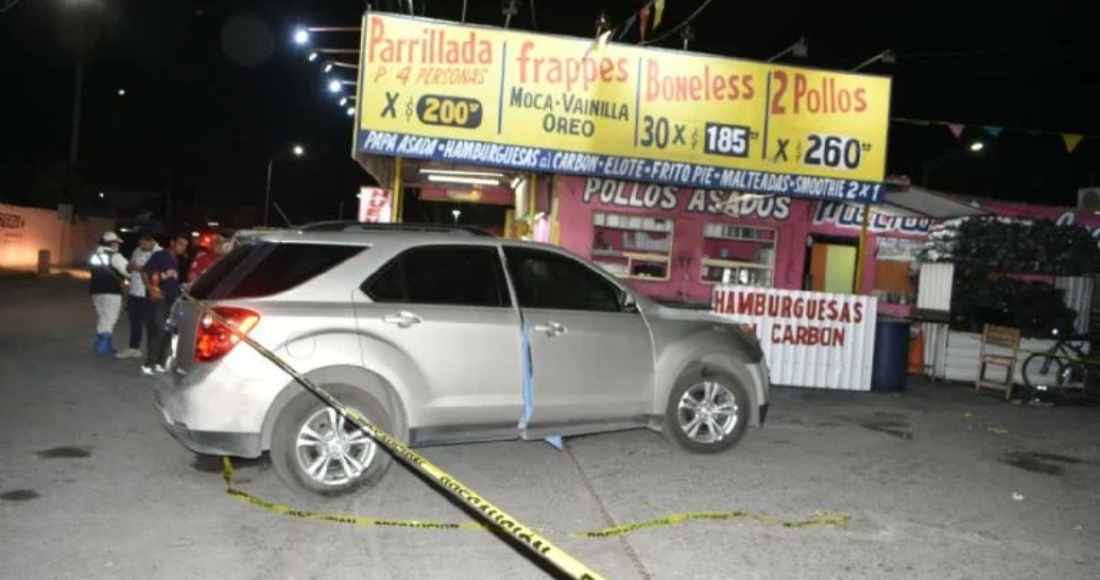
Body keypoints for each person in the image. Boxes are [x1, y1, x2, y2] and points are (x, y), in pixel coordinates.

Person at [142, 233, 189, 375]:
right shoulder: (160, 255)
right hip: (160, 299)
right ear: (172, 243)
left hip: (172, 300)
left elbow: (173, 280)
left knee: (169, 331)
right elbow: (145, 272)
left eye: (185, 245)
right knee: (158, 330)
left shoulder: (176, 260)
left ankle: (160, 363)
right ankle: (149, 364)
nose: (183, 247)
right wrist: (150, 289)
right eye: (181, 244)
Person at [116, 232, 161, 359]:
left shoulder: (160, 253)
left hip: (149, 293)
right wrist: (130, 267)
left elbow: (159, 273)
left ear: (151, 240)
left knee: (151, 324)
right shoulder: (137, 250)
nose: (141, 245)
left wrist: (140, 269)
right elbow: (129, 267)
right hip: (134, 292)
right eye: (139, 243)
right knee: (134, 321)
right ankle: (133, 347)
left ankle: (153, 351)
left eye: (144, 243)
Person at [89, 231, 130, 355]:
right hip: (112, 291)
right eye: (117, 242)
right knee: (110, 317)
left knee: (103, 316)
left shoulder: (95, 255)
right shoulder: (115, 256)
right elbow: (128, 271)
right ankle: (103, 345)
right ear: (111, 243)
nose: (118, 245)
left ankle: (103, 342)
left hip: (95, 290)